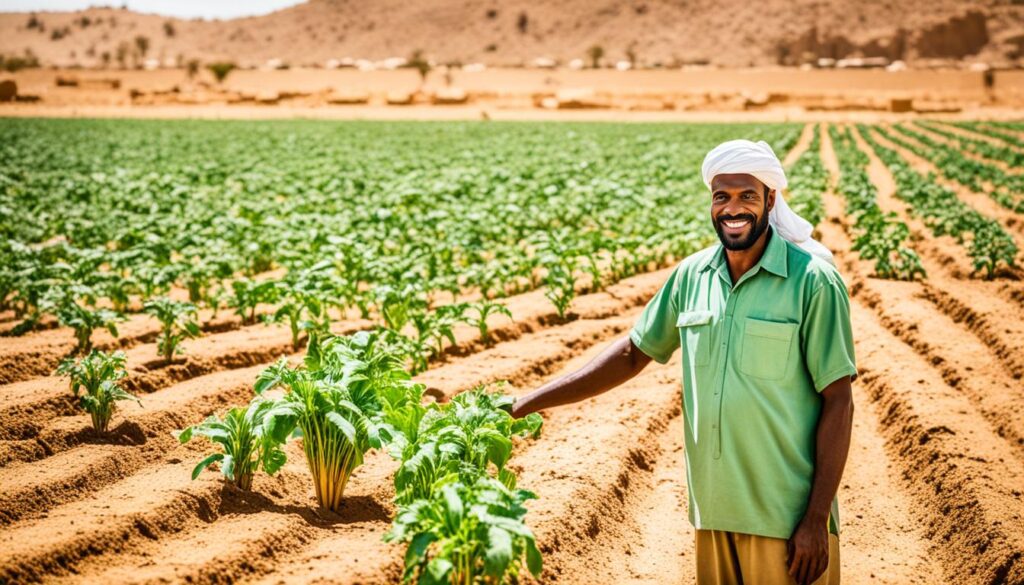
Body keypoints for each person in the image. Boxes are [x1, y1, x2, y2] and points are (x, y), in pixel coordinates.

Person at [511, 140, 857, 585]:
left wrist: (814, 520)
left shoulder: (812, 281)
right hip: (713, 513)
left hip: (785, 520)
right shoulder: (692, 276)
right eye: (722, 196)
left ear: (771, 200)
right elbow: (632, 354)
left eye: (747, 196)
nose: (733, 209)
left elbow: (839, 400)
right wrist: (526, 402)